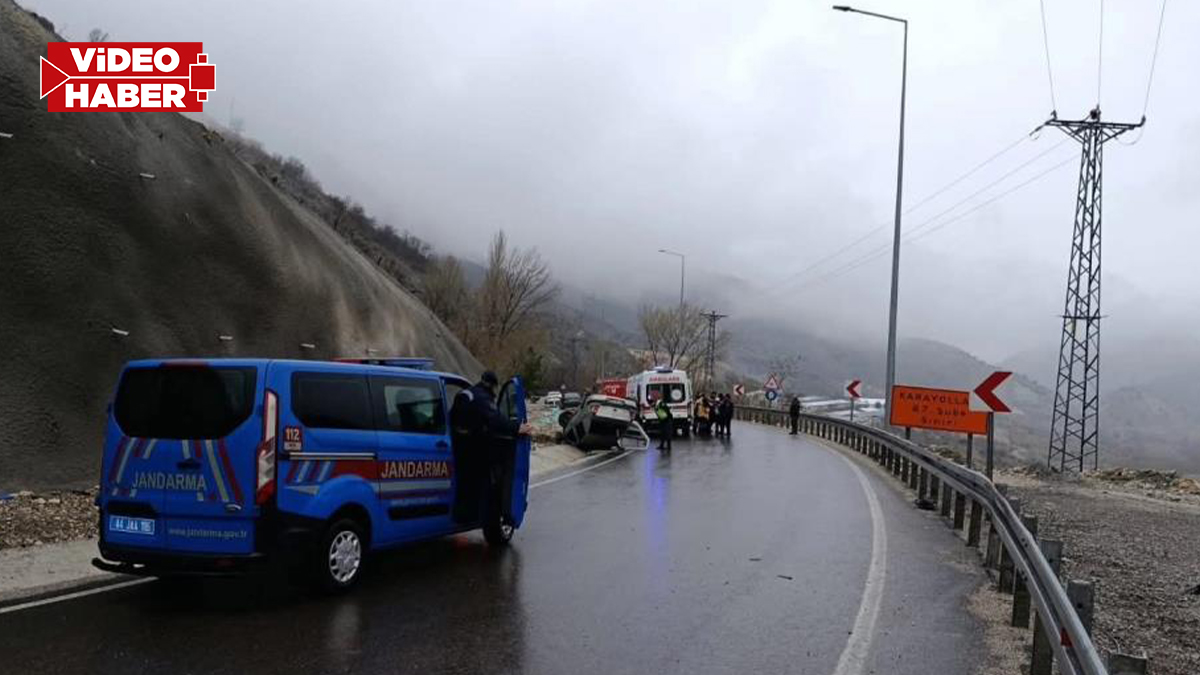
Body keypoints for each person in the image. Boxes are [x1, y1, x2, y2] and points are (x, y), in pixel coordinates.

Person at [450, 371, 533, 523]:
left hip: (456, 445)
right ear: (492, 386)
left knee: (464, 484)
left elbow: (452, 417)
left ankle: (462, 516)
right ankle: (472, 517)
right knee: (482, 484)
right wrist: (517, 428)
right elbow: (496, 420)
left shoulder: (465, 393)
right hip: (472, 448)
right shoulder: (482, 398)